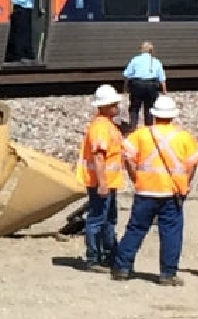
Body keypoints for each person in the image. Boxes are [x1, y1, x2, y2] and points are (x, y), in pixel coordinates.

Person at [111, 95, 198, 286]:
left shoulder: (141, 135)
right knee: (171, 232)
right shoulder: (183, 137)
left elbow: (127, 156)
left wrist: (135, 177)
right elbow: (193, 163)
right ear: (172, 116)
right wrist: (185, 184)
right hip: (171, 192)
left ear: (154, 115)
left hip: (145, 190)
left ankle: (122, 267)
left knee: (136, 229)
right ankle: (167, 274)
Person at [75, 84, 126, 273]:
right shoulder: (100, 127)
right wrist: (102, 183)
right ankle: (94, 258)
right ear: (103, 106)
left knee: (108, 219)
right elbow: (98, 156)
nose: (117, 107)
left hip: (108, 181)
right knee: (97, 219)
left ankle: (107, 255)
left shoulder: (107, 124)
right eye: (113, 104)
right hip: (101, 182)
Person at [122, 42, 167, 129]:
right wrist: (164, 91)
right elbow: (162, 78)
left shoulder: (135, 59)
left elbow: (127, 75)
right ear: (151, 51)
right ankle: (149, 129)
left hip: (137, 85)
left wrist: (125, 88)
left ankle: (133, 127)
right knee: (149, 108)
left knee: (134, 107)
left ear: (141, 50)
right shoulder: (156, 61)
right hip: (151, 86)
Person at [6, 0, 45, 64]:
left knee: (20, 32)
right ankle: (19, 55)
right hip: (21, 9)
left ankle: (22, 54)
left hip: (20, 9)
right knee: (21, 33)